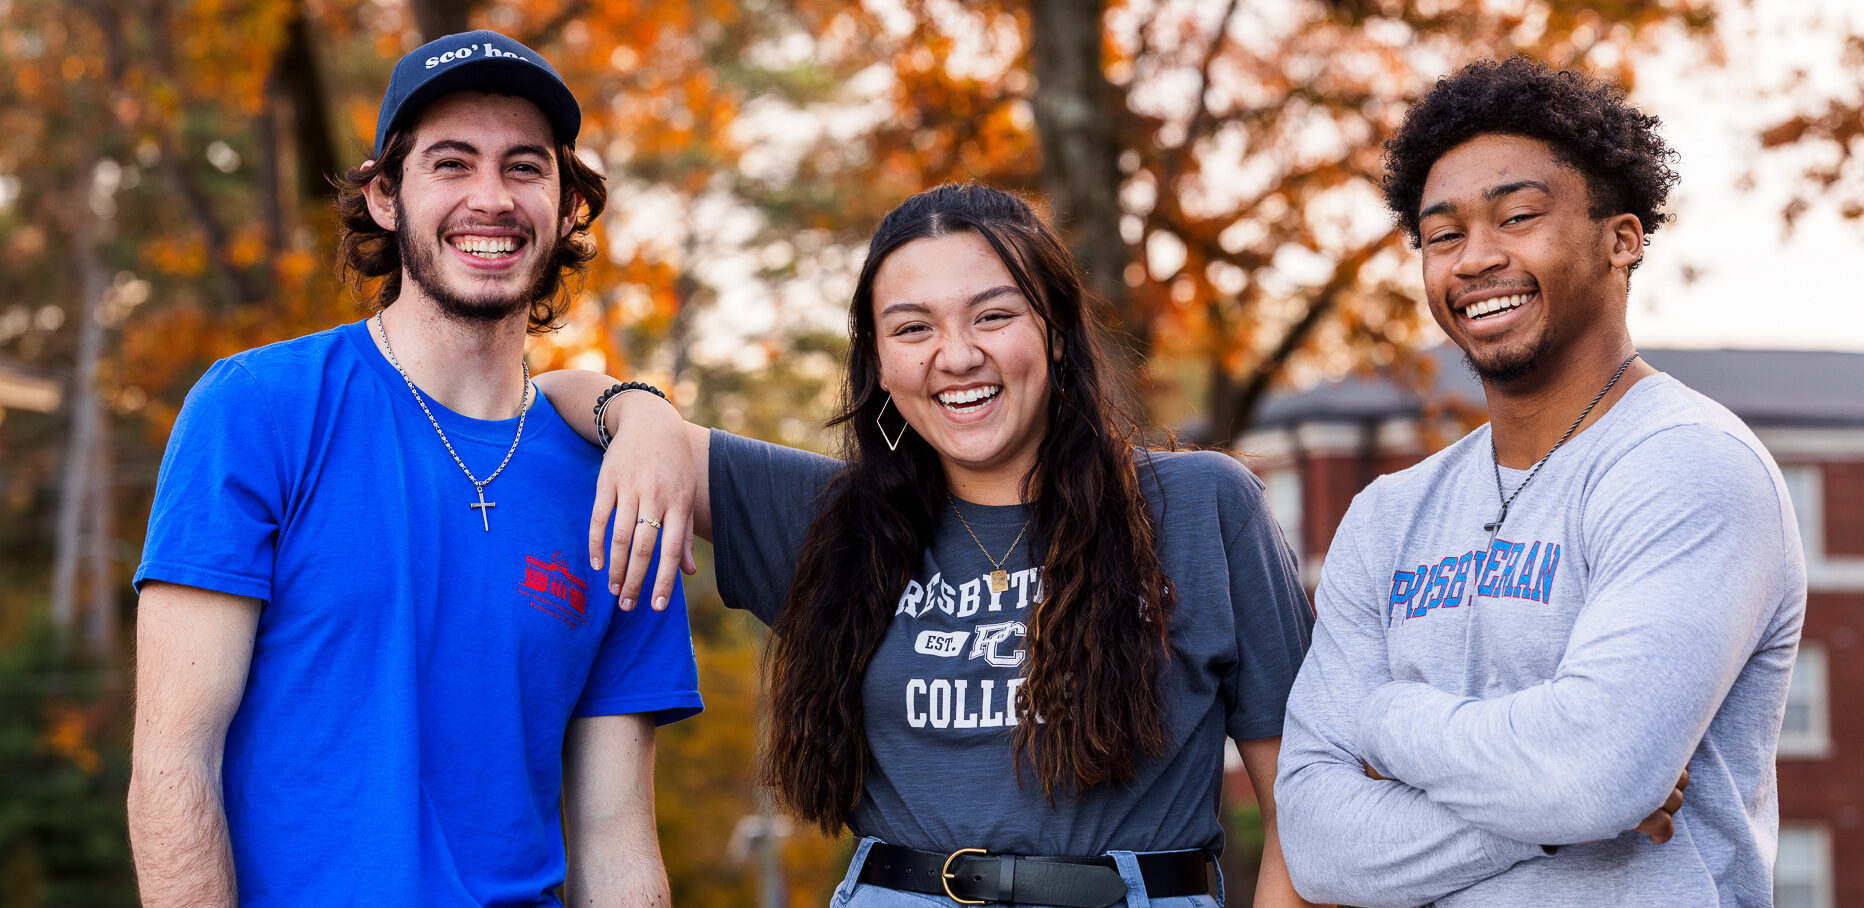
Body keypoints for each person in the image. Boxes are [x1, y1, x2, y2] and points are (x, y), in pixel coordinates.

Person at [536, 183, 1320, 907]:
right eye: (914, 328)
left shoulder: (1201, 506)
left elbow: (1304, 803)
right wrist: (646, 418)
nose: (956, 355)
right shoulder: (829, 519)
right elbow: (557, 395)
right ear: (879, 363)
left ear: (1053, 333)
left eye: (993, 315)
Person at [126, 30, 702, 906]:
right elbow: (174, 765)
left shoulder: (620, 486)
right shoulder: (258, 410)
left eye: (524, 167)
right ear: (387, 196)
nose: (491, 199)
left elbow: (616, 840)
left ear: (564, 204)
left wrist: (643, 409)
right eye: (451, 164)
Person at [1273, 57, 1807, 907]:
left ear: (1621, 238)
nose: (1476, 259)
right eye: (1443, 235)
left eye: (1518, 217)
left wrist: (1382, 720)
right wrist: (1558, 804)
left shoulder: (1689, 465)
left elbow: (1593, 773)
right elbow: (1316, 841)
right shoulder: (1388, 517)